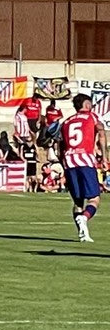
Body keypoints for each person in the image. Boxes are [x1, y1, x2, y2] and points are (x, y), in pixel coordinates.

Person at [60, 94, 107, 243]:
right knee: (94, 199)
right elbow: (102, 133)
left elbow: (60, 145)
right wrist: (104, 157)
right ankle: (84, 218)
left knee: (78, 201)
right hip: (85, 160)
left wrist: (63, 163)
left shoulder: (66, 122)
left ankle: (83, 234)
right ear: (87, 105)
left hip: (69, 161)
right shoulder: (91, 117)